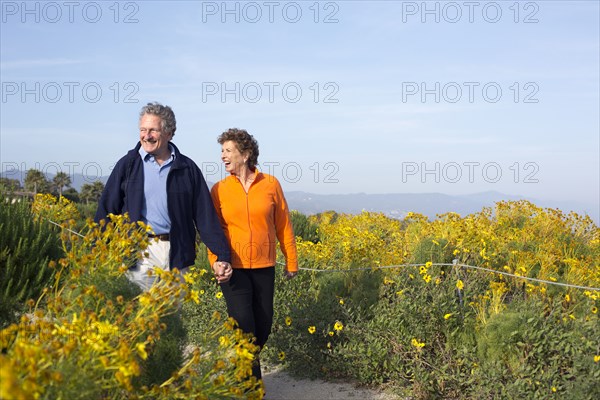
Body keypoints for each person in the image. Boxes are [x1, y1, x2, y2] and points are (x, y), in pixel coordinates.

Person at [95, 102, 232, 291]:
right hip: (138, 253)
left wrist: (222, 255)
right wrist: (96, 250)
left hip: (176, 253)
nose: (146, 136)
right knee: (140, 315)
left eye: (153, 130)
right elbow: (106, 209)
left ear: (168, 133)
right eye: (143, 130)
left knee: (171, 317)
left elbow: (204, 216)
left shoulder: (187, 169)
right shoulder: (128, 165)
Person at [208, 128, 298, 381]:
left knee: (264, 326)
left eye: (228, 151)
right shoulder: (219, 189)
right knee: (244, 327)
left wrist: (291, 260)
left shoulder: (270, 184)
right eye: (222, 151)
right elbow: (214, 231)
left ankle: (242, 368)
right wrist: (216, 262)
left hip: (264, 266)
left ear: (245, 154)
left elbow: (283, 225)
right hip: (232, 269)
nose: (223, 156)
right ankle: (250, 387)